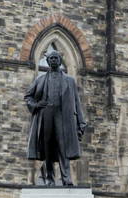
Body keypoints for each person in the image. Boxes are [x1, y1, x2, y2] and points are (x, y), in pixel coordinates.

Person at [24, 50, 86, 186]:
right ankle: (49, 178)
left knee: (63, 147)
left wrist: (81, 122)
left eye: (55, 58)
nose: (53, 60)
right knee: (47, 147)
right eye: (50, 58)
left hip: (63, 116)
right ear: (48, 61)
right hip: (46, 114)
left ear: (60, 60)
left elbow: (77, 102)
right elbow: (28, 97)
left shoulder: (69, 81)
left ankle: (66, 178)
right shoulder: (40, 80)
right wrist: (36, 104)